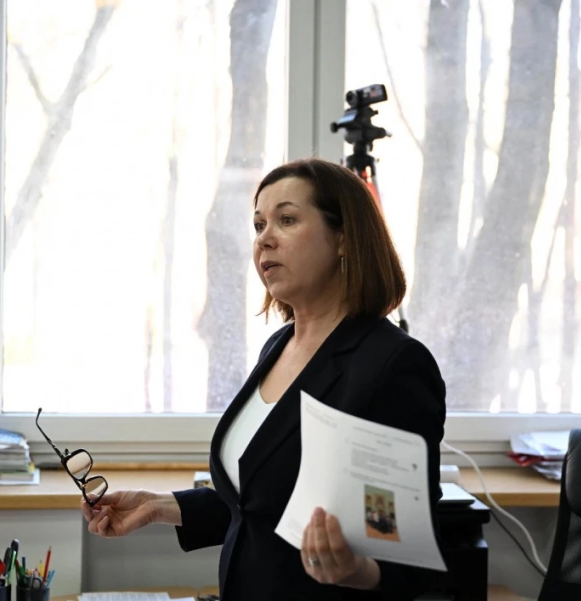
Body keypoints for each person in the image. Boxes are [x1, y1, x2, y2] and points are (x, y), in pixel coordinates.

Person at [82, 158, 447, 600]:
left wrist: (357, 570)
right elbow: (262, 501)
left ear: (344, 238)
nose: (264, 239)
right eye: (258, 225)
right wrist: (159, 506)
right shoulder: (277, 346)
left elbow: (410, 552)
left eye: (286, 220)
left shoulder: (393, 364)